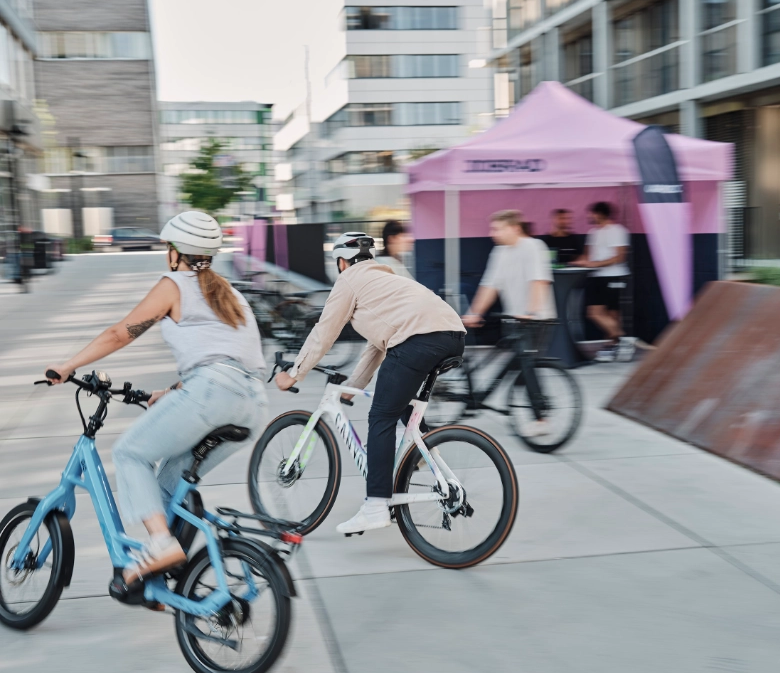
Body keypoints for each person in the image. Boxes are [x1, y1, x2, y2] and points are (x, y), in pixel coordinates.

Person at [43, 210, 269, 586]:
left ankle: (162, 543)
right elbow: (234, 363)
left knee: (130, 452)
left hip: (211, 393)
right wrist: (173, 393)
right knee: (168, 481)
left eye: (169, 247)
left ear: (176, 252)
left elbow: (120, 333)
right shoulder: (230, 294)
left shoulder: (175, 283)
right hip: (252, 404)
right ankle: (171, 567)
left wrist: (67, 366)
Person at [274, 231, 465, 535]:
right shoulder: (385, 280)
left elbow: (325, 332)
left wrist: (294, 374)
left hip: (419, 339)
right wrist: (354, 384)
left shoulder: (349, 280)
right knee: (400, 400)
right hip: (453, 334)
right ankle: (421, 455)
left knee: (380, 417)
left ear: (341, 262)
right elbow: (379, 343)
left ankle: (375, 506)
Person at [463, 209, 556, 437]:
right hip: (515, 320)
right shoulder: (499, 252)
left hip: (537, 320)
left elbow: (539, 281)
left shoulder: (534, 247)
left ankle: (541, 418)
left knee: (526, 365)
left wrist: (530, 312)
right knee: (517, 366)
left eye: (497, 228)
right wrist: (473, 313)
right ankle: (480, 399)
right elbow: (489, 286)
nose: (492, 233)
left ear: (514, 228)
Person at [574, 201, 633, 362]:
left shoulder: (618, 230)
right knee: (594, 313)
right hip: (596, 276)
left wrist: (594, 264)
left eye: (591, 213)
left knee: (612, 314)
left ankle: (611, 346)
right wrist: (576, 262)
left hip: (615, 276)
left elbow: (620, 257)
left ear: (599, 214)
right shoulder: (592, 232)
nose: (588, 217)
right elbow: (587, 256)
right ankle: (624, 340)